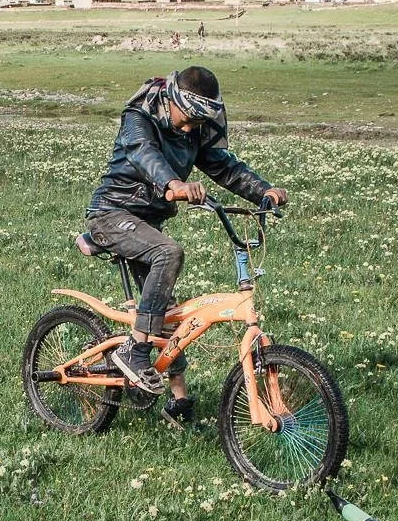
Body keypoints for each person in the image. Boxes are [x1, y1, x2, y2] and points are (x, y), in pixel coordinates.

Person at [83, 65, 288, 416]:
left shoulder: (193, 130)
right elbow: (144, 154)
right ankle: (135, 351)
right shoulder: (139, 117)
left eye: (199, 122)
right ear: (173, 101)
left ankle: (178, 401)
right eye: (189, 118)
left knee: (168, 314)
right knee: (169, 252)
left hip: (146, 223)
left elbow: (224, 166)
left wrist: (263, 190)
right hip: (111, 214)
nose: (192, 128)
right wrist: (173, 184)